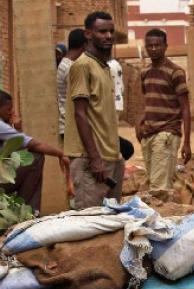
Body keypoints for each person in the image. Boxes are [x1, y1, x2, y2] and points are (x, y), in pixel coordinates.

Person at [0, 89, 70, 212]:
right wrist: (61, 154)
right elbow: (32, 144)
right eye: (8, 109)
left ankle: (22, 211)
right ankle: (28, 212)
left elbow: (19, 148)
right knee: (36, 158)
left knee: (24, 160)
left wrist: (17, 128)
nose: (11, 113)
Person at [64, 11, 123, 209]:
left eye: (111, 31)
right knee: (89, 219)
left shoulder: (104, 67)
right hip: (91, 160)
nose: (108, 36)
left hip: (110, 157)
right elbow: (80, 114)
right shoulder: (82, 66)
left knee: (111, 217)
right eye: (102, 31)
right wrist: (95, 159)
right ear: (88, 34)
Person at [137, 29, 191, 192]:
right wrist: (139, 123)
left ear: (165, 46)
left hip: (167, 133)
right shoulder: (144, 72)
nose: (153, 49)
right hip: (148, 134)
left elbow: (185, 108)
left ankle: (161, 216)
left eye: (157, 45)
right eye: (150, 46)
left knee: (158, 187)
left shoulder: (175, 72)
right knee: (156, 180)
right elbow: (148, 100)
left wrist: (187, 143)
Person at [57, 28, 86, 140]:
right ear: (84, 45)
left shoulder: (66, 64)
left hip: (69, 124)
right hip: (71, 125)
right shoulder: (71, 68)